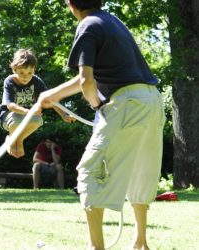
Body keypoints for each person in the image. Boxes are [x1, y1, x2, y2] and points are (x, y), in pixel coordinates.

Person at [37, 1, 165, 249]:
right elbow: (87, 78)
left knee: (89, 171)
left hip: (127, 103)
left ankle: (97, 247)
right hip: (151, 100)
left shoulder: (87, 25)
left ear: (71, 5)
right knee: (140, 170)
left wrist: (97, 105)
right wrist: (52, 95)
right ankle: (140, 242)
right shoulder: (112, 21)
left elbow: (86, 81)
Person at [0, 49, 72, 158]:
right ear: (14, 70)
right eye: (21, 73)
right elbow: (10, 106)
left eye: (29, 73)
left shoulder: (36, 81)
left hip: (27, 115)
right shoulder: (9, 82)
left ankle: (18, 139)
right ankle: (13, 138)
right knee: (16, 120)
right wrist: (28, 111)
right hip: (7, 115)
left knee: (37, 120)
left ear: (34, 70)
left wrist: (64, 115)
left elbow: (50, 99)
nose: (25, 77)